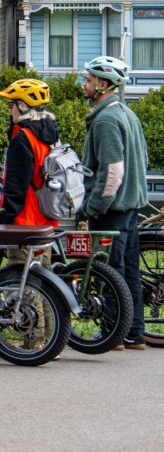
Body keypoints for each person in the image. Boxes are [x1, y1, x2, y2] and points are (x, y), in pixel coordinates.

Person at [80, 55, 149, 350]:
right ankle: (134, 333)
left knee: (111, 273)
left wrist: (93, 207)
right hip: (131, 207)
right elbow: (142, 160)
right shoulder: (127, 114)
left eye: (88, 79)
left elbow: (113, 171)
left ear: (103, 84)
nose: (84, 84)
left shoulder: (106, 119)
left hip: (112, 209)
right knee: (129, 271)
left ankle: (112, 333)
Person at [0, 78, 60, 228]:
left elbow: (15, 189)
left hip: (23, 226)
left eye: (11, 105)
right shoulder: (50, 136)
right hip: (46, 222)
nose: (10, 110)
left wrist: (1, 222)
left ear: (23, 106)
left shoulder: (24, 139)